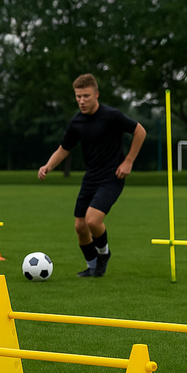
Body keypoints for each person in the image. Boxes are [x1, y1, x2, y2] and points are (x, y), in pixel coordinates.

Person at [38, 74, 146, 277]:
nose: (81, 101)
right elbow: (64, 149)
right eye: (78, 96)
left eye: (86, 96)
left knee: (93, 221)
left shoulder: (111, 116)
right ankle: (93, 267)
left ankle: (104, 254)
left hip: (112, 177)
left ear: (96, 94)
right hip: (91, 177)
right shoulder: (77, 121)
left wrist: (129, 161)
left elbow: (140, 131)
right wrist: (48, 166)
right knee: (80, 227)